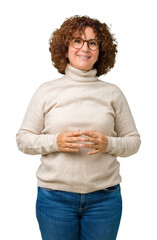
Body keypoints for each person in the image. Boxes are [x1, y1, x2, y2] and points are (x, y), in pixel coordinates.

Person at [16, 15, 141, 240]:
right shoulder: (46, 91)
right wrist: (55, 142)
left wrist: (109, 144)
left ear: (100, 51)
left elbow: (133, 142)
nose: (85, 48)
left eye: (92, 43)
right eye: (77, 41)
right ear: (65, 48)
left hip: (104, 200)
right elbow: (23, 139)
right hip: (55, 200)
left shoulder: (113, 93)